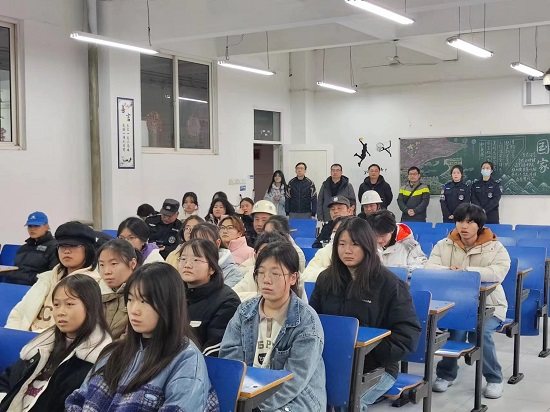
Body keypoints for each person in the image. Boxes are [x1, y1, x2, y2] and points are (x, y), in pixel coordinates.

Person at [65, 262, 219, 411]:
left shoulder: (186, 359)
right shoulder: (114, 352)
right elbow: (77, 400)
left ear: (169, 304)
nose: (134, 310)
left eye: (144, 301)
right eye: (130, 300)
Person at [309, 217, 421, 409]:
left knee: (347, 404)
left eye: (355, 244)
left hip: (377, 367)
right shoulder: (326, 279)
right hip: (331, 363)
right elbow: (313, 322)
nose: (347, 250)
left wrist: (367, 356)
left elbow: (407, 335)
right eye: (342, 244)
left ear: (368, 245)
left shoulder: (390, 285)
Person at [220, 242, 326, 411]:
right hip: (248, 395)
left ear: (293, 278)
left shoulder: (307, 321)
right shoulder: (244, 312)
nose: (266, 280)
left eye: (275, 274)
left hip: (296, 399)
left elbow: (295, 379)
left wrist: (256, 407)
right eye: (261, 272)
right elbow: (230, 359)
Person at [427, 203, 510, 399]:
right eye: (460, 221)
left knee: (479, 333)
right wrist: (449, 272)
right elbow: (430, 266)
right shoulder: (444, 244)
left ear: (479, 225)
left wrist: (466, 273)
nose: (463, 226)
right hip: (456, 305)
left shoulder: (495, 247)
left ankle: (494, 379)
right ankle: (446, 375)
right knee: (455, 330)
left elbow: (498, 272)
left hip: (490, 305)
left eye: (470, 222)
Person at [0, 275, 112, 412]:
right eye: (56, 304)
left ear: (90, 307)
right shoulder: (42, 346)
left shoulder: (99, 359)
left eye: (69, 304)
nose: (60, 312)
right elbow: (6, 380)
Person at [6, 221, 99, 332]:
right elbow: (19, 312)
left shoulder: (94, 283)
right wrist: (13, 334)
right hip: (26, 337)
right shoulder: (46, 278)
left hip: (53, 340)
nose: (66, 251)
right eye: (62, 246)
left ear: (88, 249)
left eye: (73, 246)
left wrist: (31, 338)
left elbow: (73, 328)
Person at [177, 239, 240, 356]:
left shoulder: (227, 302)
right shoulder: (174, 294)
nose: (187, 265)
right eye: (183, 259)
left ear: (212, 268)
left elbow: (215, 349)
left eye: (196, 260)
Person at [97, 239, 143, 340]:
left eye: (113, 264)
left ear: (132, 264)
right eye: (102, 265)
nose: (106, 271)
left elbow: (130, 339)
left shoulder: (142, 294)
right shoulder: (94, 293)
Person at [232, 231, 287, 302]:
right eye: (262, 253)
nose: (266, 258)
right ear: (255, 256)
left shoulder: (289, 275)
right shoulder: (252, 274)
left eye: (272, 254)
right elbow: (233, 295)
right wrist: (258, 297)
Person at [6, 211, 58, 286]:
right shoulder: (24, 248)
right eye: (30, 226)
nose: (32, 229)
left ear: (46, 226)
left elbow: (52, 276)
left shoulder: (54, 247)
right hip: (15, 284)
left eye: (36, 226)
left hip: (37, 287)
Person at [189, 223, 244, 287]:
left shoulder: (233, 273)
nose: (199, 247)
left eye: (205, 242)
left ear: (217, 243)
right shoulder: (186, 266)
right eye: (195, 242)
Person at [302, 216, 348, 283]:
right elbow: (306, 276)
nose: (336, 234)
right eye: (334, 231)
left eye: (340, 232)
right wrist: (330, 272)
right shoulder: (324, 251)